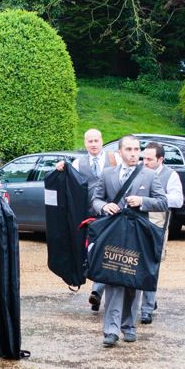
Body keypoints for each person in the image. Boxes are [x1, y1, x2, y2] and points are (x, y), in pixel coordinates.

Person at [88, 135, 168, 347]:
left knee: (133, 281)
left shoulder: (149, 176)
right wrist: (104, 207)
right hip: (113, 232)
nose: (134, 153)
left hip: (137, 235)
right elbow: (95, 199)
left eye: (136, 149)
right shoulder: (107, 174)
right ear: (120, 152)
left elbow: (163, 202)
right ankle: (111, 331)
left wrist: (142, 201)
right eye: (129, 149)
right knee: (113, 277)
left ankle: (129, 326)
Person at [57, 128, 109, 311]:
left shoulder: (114, 159)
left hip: (111, 214)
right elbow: (69, 181)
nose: (93, 144)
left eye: (96, 140)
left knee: (107, 252)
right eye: (90, 141)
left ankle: (97, 291)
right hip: (89, 216)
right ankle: (98, 289)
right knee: (94, 253)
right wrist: (61, 169)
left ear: (102, 141)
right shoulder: (79, 163)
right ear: (85, 143)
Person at [138, 141, 183, 325]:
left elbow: (178, 200)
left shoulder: (170, 175)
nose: (145, 162)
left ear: (160, 159)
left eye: (149, 159)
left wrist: (150, 200)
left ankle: (147, 309)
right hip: (136, 222)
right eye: (144, 158)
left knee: (151, 266)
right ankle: (146, 301)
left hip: (157, 224)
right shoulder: (138, 172)